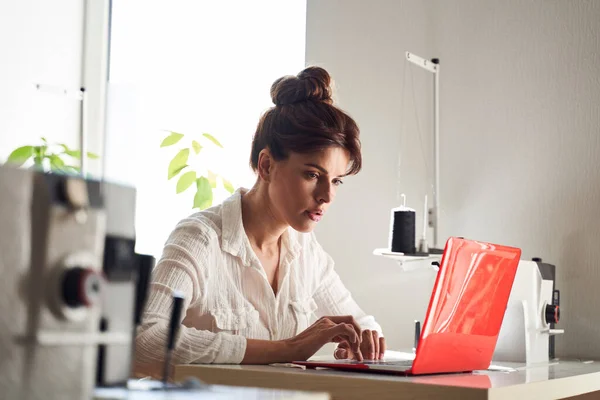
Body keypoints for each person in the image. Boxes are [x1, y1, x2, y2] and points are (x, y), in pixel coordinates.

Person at [134, 66, 385, 378]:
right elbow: (145, 341)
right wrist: (288, 348)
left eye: (336, 181)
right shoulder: (199, 238)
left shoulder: (306, 252)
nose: (326, 196)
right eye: (312, 175)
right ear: (266, 165)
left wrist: (362, 340)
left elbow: (362, 322)